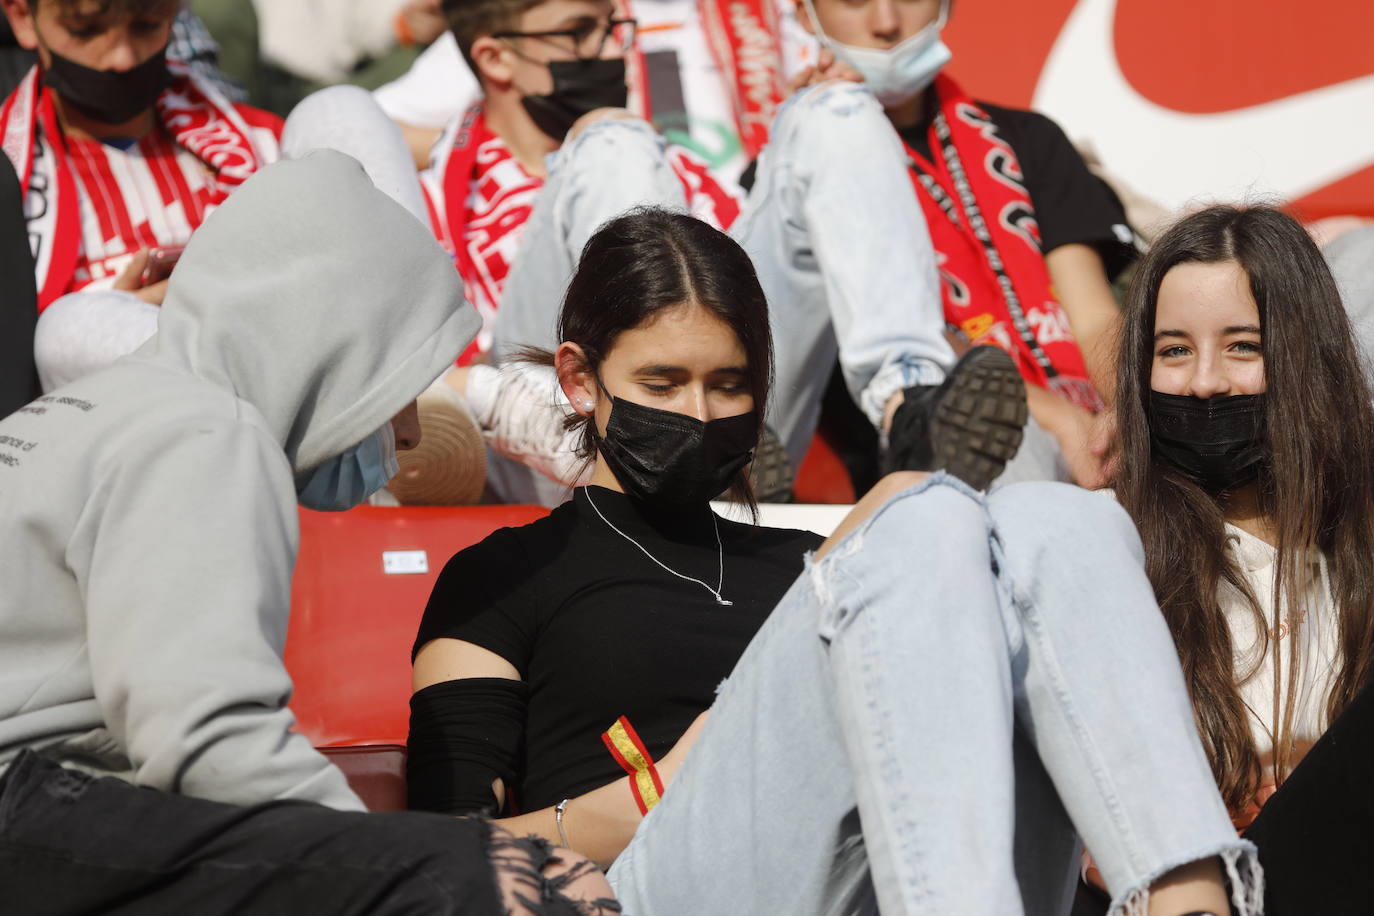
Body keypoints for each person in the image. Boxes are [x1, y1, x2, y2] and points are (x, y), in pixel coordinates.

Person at [408, 206, 1261, 916]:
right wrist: (660, 786)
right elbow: (445, 850)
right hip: (649, 888)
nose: (700, 415)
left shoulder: (814, 564)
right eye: (663, 385)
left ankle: (1188, 898)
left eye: (730, 387)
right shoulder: (506, 577)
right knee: (920, 515)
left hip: (880, 874)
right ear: (580, 379)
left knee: (1058, 517)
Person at [0, 151, 617, 915]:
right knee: (534, 887)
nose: (414, 430)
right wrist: (385, 863)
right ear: (328, 347)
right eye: (394, 386)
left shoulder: (99, 409)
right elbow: (208, 741)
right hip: (25, 812)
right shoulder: (208, 431)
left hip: (39, 812)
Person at [423, 0, 1030, 503]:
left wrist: (800, 123)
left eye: (613, 26)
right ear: (495, 58)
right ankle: (666, 432)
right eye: (581, 33)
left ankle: (912, 412)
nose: (613, 50)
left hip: (742, 427)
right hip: (555, 433)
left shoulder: (678, 169)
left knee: (834, 110)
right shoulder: (437, 182)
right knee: (610, 138)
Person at [1111, 204, 1374, 914]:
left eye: (1241, 346)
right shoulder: (1112, 555)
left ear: (1303, 357)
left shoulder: (1359, 542)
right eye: (1173, 350)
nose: (1203, 383)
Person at [791, 0, 1136, 486]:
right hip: (931, 452)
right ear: (805, 16)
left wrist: (1130, 417)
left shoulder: (1029, 138)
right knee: (1001, 446)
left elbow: (1092, 317)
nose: (886, 23)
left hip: (1084, 422)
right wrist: (1057, 419)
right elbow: (897, 334)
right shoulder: (794, 181)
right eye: (854, 0)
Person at [0, 0, 282, 392]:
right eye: (86, 30)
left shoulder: (261, 142)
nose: (122, 57)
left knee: (340, 108)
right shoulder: (11, 181)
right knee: (65, 329)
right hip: (108, 424)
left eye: (147, 25)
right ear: (21, 17)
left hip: (278, 361)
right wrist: (118, 315)